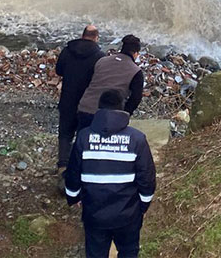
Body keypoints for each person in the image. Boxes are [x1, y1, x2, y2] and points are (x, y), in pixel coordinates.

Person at [65, 90, 156, 258]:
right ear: (122, 109)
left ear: (99, 109)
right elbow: (147, 177)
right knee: (128, 251)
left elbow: (73, 172)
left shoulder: (84, 137)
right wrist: (143, 205)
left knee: (95, 253)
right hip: (128, 214)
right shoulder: (137, 139)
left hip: (94, 213)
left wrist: (74, 197)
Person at [56, 25, 106, 168]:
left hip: (67, 99)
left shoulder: (67, 51)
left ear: (82, 35)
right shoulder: (100, 57)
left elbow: (59, 70)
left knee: (65, 134)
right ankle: (80, 166)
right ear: (96, 38)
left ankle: (63, 166)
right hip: (88, 103)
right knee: (84, 135)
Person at [77, 35, 145, 131]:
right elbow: (136, 98)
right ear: (136, 53)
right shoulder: (136, 71)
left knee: (83, 141)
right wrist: (125, 113)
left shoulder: (102, 61)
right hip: (109, 116)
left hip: (86, 108)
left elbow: (87, 82)